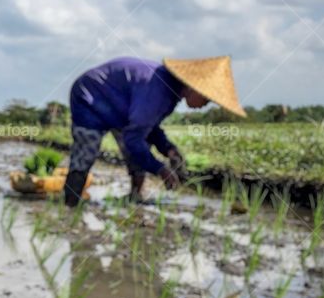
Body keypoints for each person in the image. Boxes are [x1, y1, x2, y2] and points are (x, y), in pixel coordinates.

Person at [63, 56, 246, 206]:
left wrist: (168, 149)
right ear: (194, 87)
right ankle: (70, 204)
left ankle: (135, 197)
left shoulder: (169, 93)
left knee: (137, 145)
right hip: (91, 96)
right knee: (87, 150)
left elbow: (148, 127)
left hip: (120, 108)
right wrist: (161, 170)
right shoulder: (157, 89)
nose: (205, 105)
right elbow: (134, 137)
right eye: (206, 100)